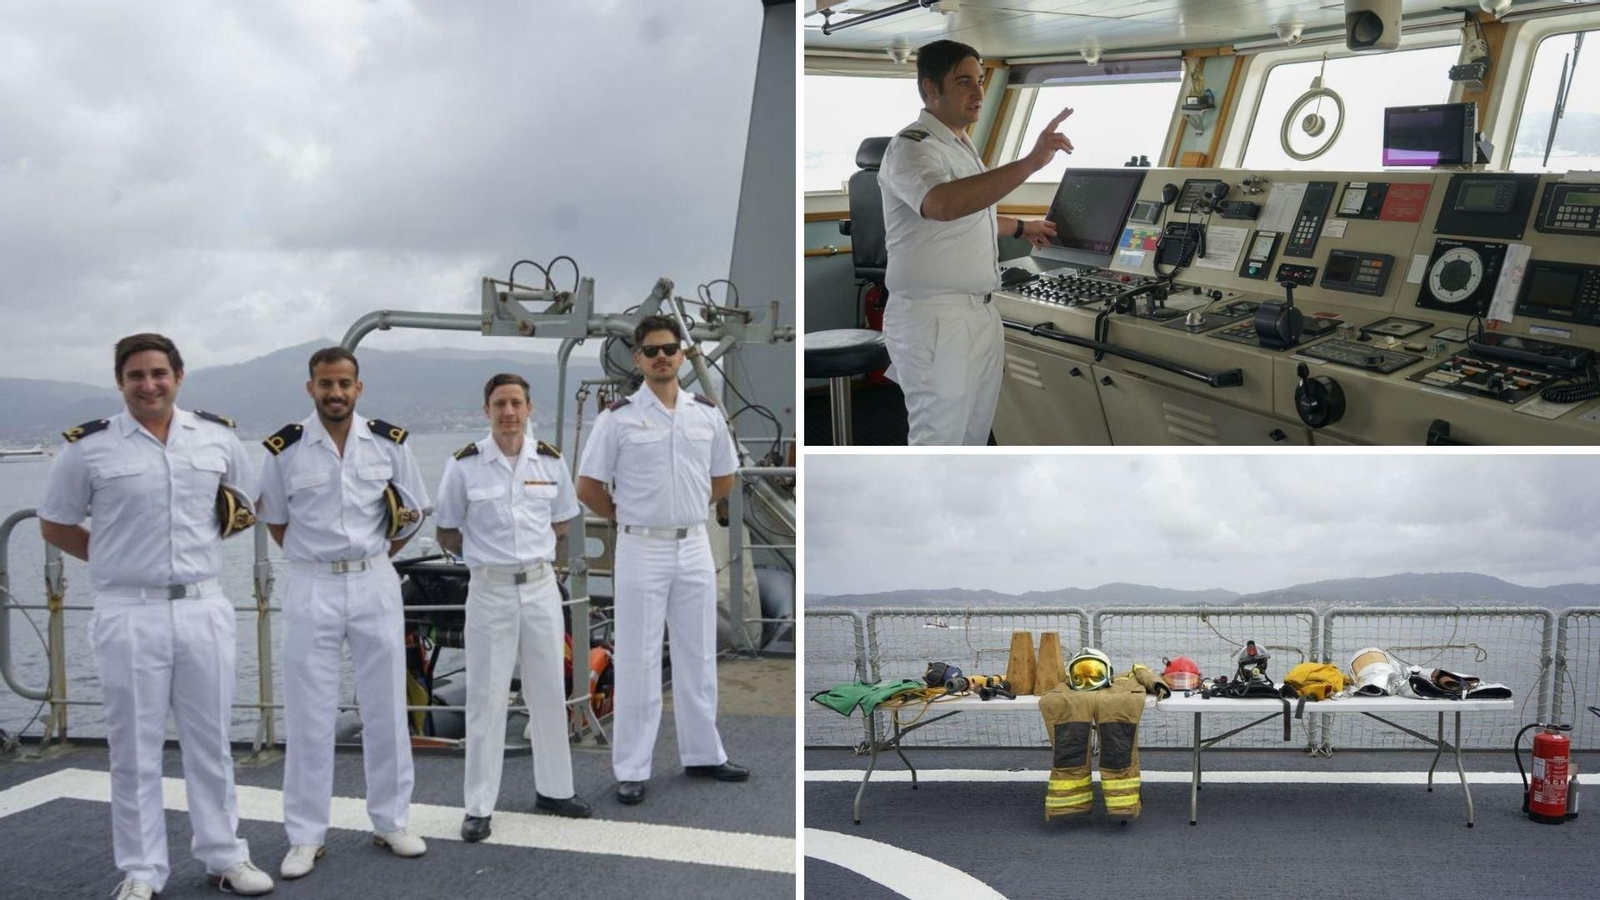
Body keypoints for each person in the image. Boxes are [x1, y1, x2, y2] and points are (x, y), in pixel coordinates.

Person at [37, 333, 274, 899]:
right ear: (120, 382)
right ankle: (142, 871)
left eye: (158, 374)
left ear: (179, 376)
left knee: (211, 741)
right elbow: (55, 522)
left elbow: (247, 502)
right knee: (135, 747)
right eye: (136, 375)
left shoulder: (216, 436)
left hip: (202, 606)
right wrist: (117, 559)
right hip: (128, 611)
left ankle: (224, 856)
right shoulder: (87, 449)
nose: (149, 385)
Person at [256, 346, 430, 880]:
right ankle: (305, 835)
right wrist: (321, 562)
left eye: (345, 383)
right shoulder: (285, 450)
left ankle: (391, 820)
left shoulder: (388, 443)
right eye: (326, 384)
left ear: (359, 387)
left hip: (375, 579)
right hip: (312, 585)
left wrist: (373, 559)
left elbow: (412, 514)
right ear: (310, 388)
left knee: (385, 707)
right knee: (309, 713)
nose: (335, 393)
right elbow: (277, 522)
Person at [575, 315, 748, 805]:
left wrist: (689, 512)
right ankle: (631, 767)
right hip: (641, 547)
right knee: (639, 660)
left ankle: (703, 754)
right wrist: (627, 517)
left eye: (669, 348)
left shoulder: (706, 413)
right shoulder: (618, 418)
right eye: (651, 350)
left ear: (681, 354)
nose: (661, 357)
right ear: (637, 358)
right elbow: (587, 486)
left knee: (699, 655)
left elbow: (724, 477)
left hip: (693, 544)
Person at [879, 38, 1076, 445]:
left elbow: (972, 214)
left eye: (982, 81)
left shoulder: (961, 144)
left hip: (981, 313)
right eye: (965, 82)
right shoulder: (910, 148)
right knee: (939, 440)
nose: (979, 93)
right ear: (931, 88)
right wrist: (1030, 163)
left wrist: (1021, 227)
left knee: (973, 437)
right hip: (936, 319)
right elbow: (942, 206)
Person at [434, 373, 593, 842]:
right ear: (486, 410)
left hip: (541, 587)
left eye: (516, 403)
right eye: (500, 403)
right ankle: (479, 806)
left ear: (529, 409)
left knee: (549, 690)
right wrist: (490, 559)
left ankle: (556, 790)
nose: (508, 412)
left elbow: (562, 521)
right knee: (486, 697)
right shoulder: (463, 466)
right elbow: (447, 530)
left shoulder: (550, 462)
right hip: (490, 591)